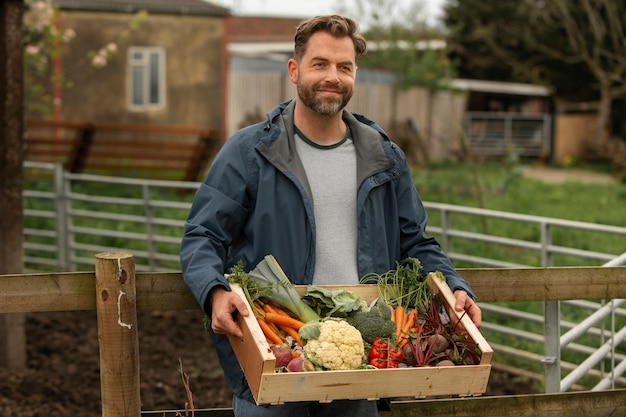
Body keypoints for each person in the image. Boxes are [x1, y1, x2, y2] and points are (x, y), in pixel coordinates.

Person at [180, 14, 481, 417]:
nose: (332, 77)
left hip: (360, 359)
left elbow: (417, 243)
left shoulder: (385, 158)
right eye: (320, 64)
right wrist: (214, 291)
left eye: (344, 67)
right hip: (276, 350)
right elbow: (202, 235)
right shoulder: (249, 152)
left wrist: (456, 288)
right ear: (294, 70)